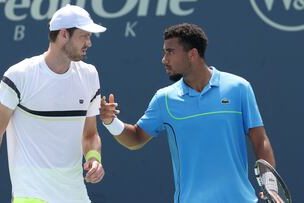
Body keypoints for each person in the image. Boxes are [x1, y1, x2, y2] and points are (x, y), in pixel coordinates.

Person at [100, 23, 277, 203]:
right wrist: (110, 122)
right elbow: (136, 138)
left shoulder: (239, 88)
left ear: (192, 54)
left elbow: (259, 139)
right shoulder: (164, 99)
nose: (164, 59)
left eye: (170, 52)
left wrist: (271, 184)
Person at [0, 4, 106, 203]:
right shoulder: (19, 76)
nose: (89, 43)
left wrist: (94, 158)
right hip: (31, 196)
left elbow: (90, 134)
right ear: (64, 34)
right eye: (84, 36)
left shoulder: (89, 75)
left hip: (76, 196)